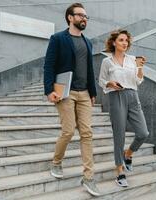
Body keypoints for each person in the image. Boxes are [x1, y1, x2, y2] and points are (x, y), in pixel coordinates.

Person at [43, 3, 100, 196]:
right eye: (81, 15)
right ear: (70, 17)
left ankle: (89, 177)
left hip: (84, 93)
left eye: (86, 16)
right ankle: (56, 162)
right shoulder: (58, 38)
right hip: (65, 92)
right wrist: (49, 90)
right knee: (68, 131)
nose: (84, 19)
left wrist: (93, 92)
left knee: (87, 133)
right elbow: (48, 65)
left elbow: (90, 69)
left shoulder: (87, 42)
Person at [98, 29, 149, 187]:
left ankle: (128, 154)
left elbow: (138, 80)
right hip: (116, 97)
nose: (124, 43)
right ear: (114, 42)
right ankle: (119, 170)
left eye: (126, 40)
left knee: (143, 133)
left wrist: (140, 67)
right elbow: (101, 80)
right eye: (121, 40)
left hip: (133, 96)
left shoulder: (133, 60)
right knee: (119, 135)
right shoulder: (107, 61)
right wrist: (110, 83)